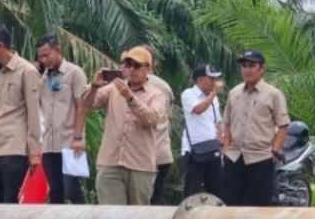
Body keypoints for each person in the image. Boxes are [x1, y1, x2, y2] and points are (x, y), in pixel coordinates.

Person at [82, 46, 167, 205]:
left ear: (148, 69)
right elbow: (87, 103)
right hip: (110, 162)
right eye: (128, 65)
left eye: (137, 65)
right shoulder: (113, 88)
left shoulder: (156, 94)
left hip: (140, 166)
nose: (132, 70)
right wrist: (94, 86)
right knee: (110, 216)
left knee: (138, 218)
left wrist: (129, 97)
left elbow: (150, 119)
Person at [0, 25, 42, 203]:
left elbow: (34, 113)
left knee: (10, 198)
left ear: (0, 45)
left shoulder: (27, 71)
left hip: (14, 146)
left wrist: (34, 152)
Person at [222, 50, 290, 207]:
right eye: (244, 66)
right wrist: (226, 149)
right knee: (231, 205)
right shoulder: (234, 93)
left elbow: (283, 125)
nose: (247, 70)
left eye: (252, 65)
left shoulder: (273, 94)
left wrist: (275, 151)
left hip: (260, 159)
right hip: (234, 158)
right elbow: (226, 122)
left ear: (262, 69)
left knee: (258, 208)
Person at [35, 34, 87, 204]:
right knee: (55, 191)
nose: (44, 60)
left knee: (71, 188)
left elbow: (82, 105)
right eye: (40, 56)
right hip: (49, 144)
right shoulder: (43, 78)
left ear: (57, 50)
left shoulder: (74, 73)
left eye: (46, 55)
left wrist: (78, 137)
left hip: (69, 142)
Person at [180, 64, 225, 198]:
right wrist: (214, 94)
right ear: (200, 80)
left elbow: (218, 121)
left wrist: (222, 143)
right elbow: (198, 109)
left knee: (217, 191)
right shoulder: (188, 94)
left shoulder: (213, 98)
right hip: (194, 151)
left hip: (213, 148)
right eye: (211, 78)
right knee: (192, 192)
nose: (214, 82)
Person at [141, 46, 175, 205]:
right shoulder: (164, 85)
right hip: (162, 152)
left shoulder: (142, 85)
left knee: (144, 201)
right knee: (157, 197)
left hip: (146, 153)